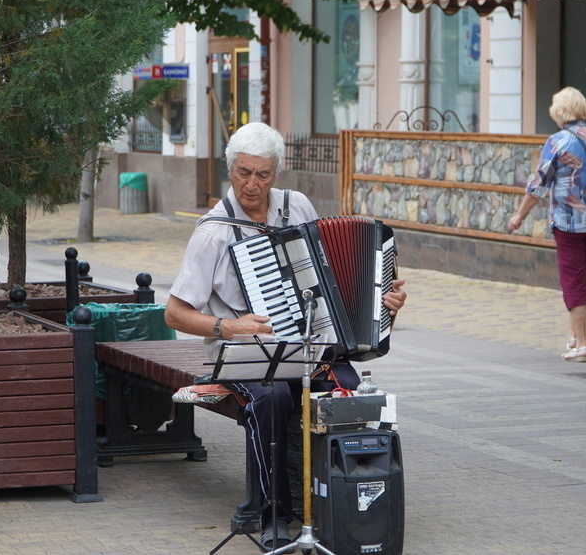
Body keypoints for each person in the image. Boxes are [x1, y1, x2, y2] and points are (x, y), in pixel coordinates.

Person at [164, 122, 407, 550]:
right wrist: (230, 326)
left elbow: (332, 281)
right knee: (272, 398)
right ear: (230, 169)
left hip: (312, 348)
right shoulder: (213, 231)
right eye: (243, 173)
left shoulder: (298, 207)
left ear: (276, 172)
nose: (252, 184)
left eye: (262, 174)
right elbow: (175, 314)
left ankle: (335, 501)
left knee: (349, 391)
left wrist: (382, 299)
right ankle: (272, 511)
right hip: (244, 354)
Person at [507, 87, 586, 362]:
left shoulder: (557, 141)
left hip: (569, 224)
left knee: (572, 280)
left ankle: (582, 344)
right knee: (578, 275)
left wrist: (519, 216)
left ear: (560, 112)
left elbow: (538, 185)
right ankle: (573, 336)